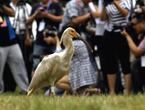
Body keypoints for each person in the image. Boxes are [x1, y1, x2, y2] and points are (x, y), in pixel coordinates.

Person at [51, 22, 97, 95]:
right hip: (81, 73)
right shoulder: (79, 42)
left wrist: (57, 40)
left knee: (56, 81)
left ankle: (86, 92)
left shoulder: (75, 44)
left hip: (81, 75)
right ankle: (85, 92)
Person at [100, 0, 131, 95]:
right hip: (109, 34)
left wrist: (115, 3)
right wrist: (104, 6)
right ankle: (112, 92)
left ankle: (127, 92)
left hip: (122, 33)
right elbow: (102, 18)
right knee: (110, 63)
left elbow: (125, 13)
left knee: (125, 62)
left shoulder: (125, 1)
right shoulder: (106, 3)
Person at [26, 0, 63, 79]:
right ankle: (33, 88)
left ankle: (55, 85)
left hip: (53, 39)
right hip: (40, 40)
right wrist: (36, 13)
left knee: (55, 63)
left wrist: (47, 15)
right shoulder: (36, 7)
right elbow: (27, 22)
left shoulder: (55, 5)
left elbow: (61, 19)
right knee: (36, 63)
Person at [0, 1, 29, 94]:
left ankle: (25, 89)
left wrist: (1, 6)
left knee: (19, 64)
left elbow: (12, 13)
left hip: (11, 41)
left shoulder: (3, 4)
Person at [120, 12, 145, 94]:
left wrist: (127, 36)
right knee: (138, 63)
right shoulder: (141, 34)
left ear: (143, 23)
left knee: (135, 64)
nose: (133, 27)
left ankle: (138, 92)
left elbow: (137, 52)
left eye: (134, 24)